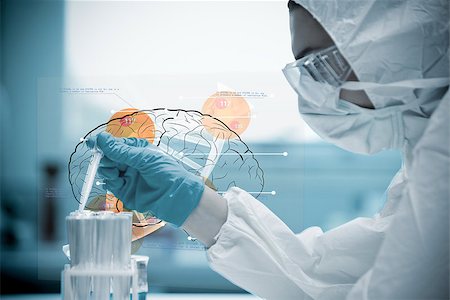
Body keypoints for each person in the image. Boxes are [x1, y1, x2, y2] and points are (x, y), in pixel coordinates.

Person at [91, 0, 449, 298]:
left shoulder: (442, 149)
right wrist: (188, 199)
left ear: (396, 43)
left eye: (323, 65)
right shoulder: (428, 148)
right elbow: (325, 277)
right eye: (305, 70)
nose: (315, 94)